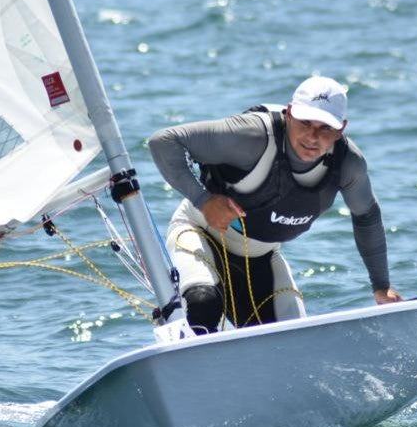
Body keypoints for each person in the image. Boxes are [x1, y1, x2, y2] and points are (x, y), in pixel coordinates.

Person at [148, 76, 402, 335]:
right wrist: (204, 201)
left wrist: (381, 285)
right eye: (305, 122)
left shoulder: (348, 165)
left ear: (341, 128)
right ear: (289, 113)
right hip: (198, 233)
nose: (312, 136)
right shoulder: (252, 136)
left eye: (325, 127)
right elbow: (163, 142)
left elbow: (366, 216)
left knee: (293, 337)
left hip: (261, 257)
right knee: (203, 304)